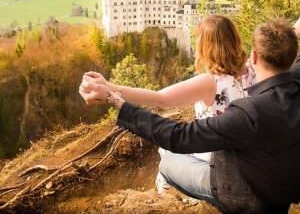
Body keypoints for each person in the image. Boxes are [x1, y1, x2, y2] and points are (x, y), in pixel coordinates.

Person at [79, 18, 300, 214]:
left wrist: (112, 93)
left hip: (238, 183)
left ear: (255, 54)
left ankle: (166, 200)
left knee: (166, 158)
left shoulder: (213, 84)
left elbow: (161, 100)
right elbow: (280, 43)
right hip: (274, 176)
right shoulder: (269, 74)